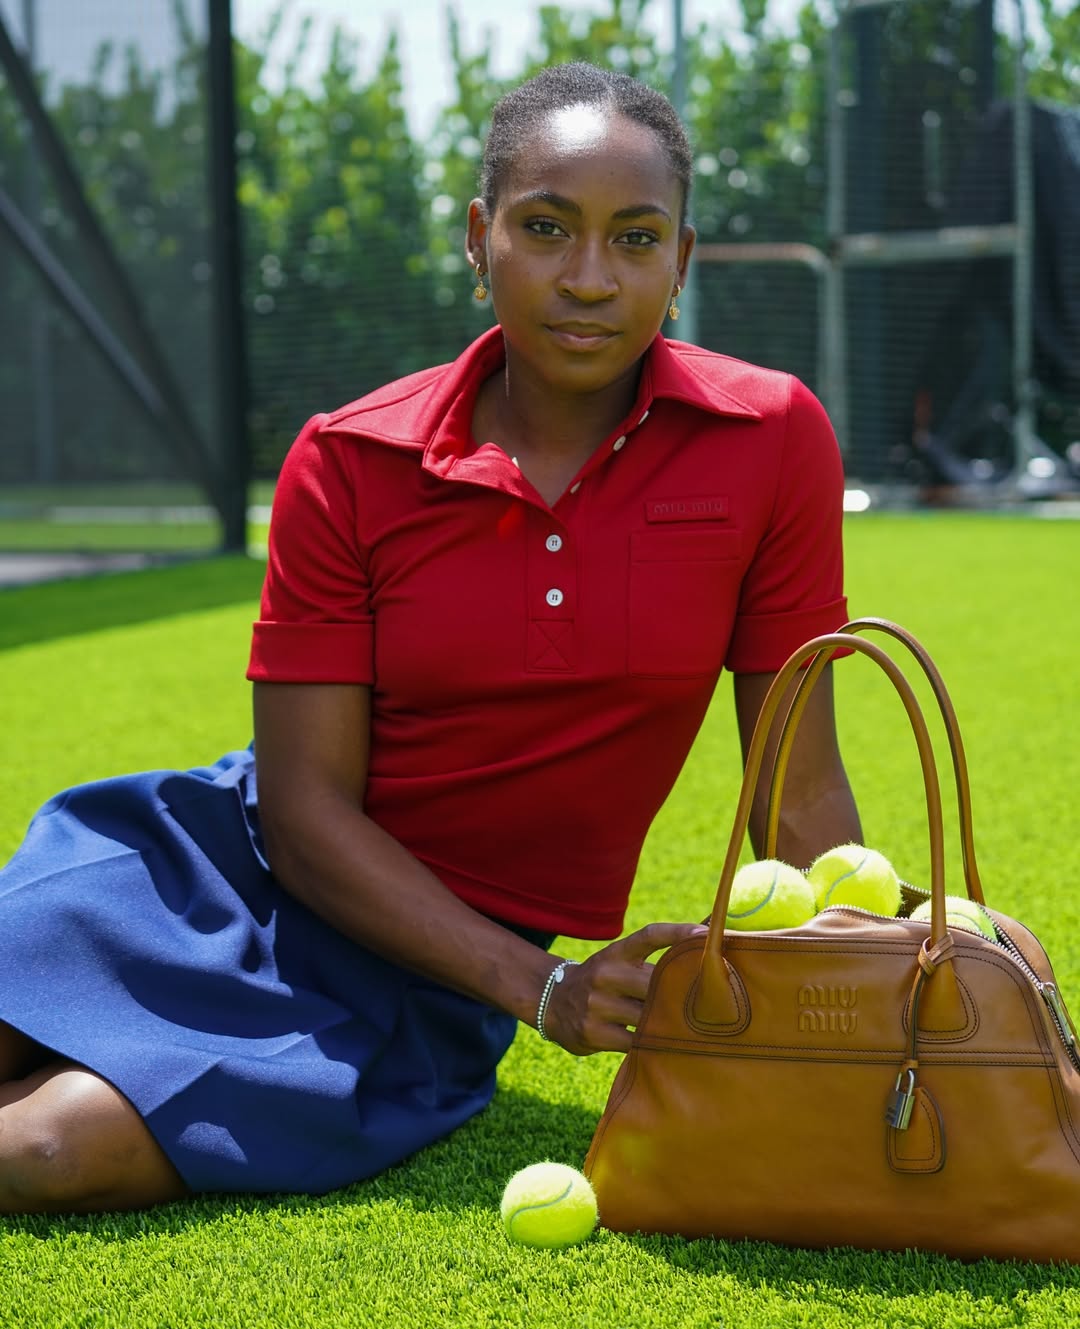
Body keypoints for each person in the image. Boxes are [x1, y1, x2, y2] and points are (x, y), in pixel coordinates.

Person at [0, 62, 861, 1215]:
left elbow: (796, 790)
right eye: (546, 228)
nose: (590, 278)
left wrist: (859, 987)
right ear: (479, 236)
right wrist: (546, 987)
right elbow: (304, 818)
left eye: (636, 237)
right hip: (208, 866)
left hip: (416, 983)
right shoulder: (349, 458)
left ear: (682, 260)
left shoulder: (770, 439)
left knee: (48, 1152)